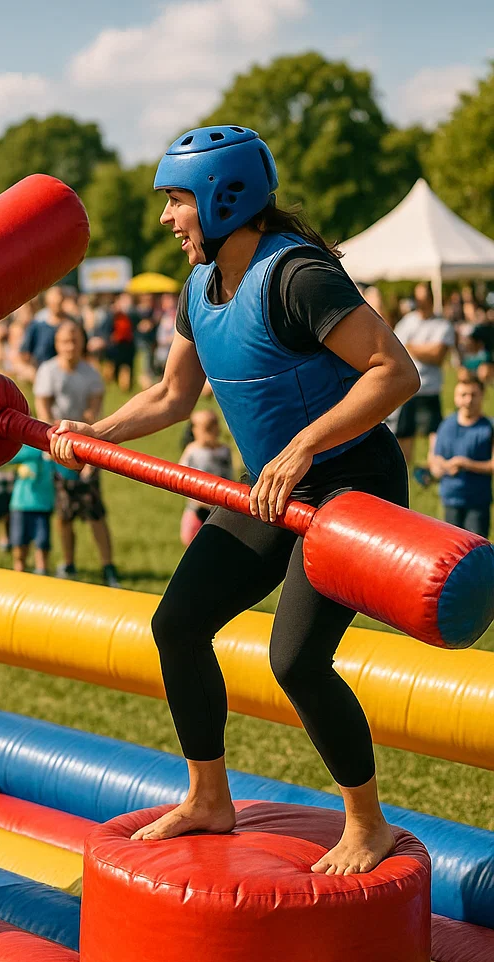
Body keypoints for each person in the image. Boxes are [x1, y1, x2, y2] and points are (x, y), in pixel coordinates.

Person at [50, 125, 419, 875]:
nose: (166, 218)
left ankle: (367, 822)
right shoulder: (197, 289)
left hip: (350, 481)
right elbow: (172, 394)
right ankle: (208, 797)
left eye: (176, 200)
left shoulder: (299, 277)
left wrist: (305, 444)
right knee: (179, 623)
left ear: (225, 199)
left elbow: (394, 372)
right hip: (274, 486)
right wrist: (99, 431)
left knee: (296, 659)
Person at [34, 320, 119, 587]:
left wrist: (84, 446)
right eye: (64, 341)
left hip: (86, 448)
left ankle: (108, 566)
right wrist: (53, 445)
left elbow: (92, 412)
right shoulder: (47, 371)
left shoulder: (91, 374)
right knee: (64, 512)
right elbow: (44, 411)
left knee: (95, 511)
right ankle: (69, 562)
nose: (70, 346)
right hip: (57, 449)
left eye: (74, 340)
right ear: (57, 344)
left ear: (82, 342)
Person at [391, 283, 455, 473]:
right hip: (407, 390)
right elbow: (396, 349)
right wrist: (424, 348)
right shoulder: (407, 322)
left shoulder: (442, 324)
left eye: (424, 298)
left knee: (434, 433)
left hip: (429, 388)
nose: (420, 303)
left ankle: (434, 472)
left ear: (431, 299)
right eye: (418, 298)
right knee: (404, 434)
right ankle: (405, 473)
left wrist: (412, 347)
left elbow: (437, 355)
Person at [428, 373, 493, 537]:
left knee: (476, 548)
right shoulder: (446, 426)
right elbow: (435, 460)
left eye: (473, 395)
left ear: (482, 396)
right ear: (456, 398)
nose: (469, 400)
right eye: (464, 395)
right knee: (452, 550)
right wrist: (442, 467)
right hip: (450, 499)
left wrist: (465, 464)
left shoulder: (488, 427)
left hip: (477, 502)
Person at [178, 409, 234, 546]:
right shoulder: (192, 452)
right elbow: (179, 478)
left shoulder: (224, 451)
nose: (210, 432)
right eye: (205, 428)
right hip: (197, 509)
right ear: (194, 430)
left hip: (221, 508)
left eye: (213, 426)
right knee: (192, 542)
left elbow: (230, 476)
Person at [7, 444, 55, 574]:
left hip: (43, 506)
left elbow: (67, 471)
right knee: (19, 545)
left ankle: (42, 574)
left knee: (42, 544)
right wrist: (40, 451)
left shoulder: (53, 454)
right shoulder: (26, 448)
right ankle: (19, 575)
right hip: (21, 504)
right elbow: (9, 457)